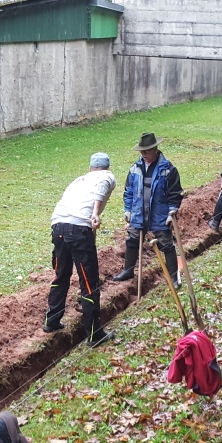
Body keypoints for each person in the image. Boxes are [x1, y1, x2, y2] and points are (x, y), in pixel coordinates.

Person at [43, 152, 117, 346]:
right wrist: (95, 214)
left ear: (90, 168)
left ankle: (52, 321)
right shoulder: (107, 176)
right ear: (107, 168)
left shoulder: (79, 180)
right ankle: (94, 334)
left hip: (58, 227)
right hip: (79, 230)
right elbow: (102, 187)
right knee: (89, 282)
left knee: (61, 275)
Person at [111, 132, 183, 285]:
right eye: (142, 151)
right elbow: (129, 191)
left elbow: (175, 193)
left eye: (147, 151)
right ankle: (128, 270)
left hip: (159, 213)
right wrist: (128, 210)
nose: (144, 155)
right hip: (139, 212)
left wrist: (172, 211)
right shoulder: (135, 168)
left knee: (166, 244)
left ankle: (173, 277)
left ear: (155, 149)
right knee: (132, 240)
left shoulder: (168, 169)